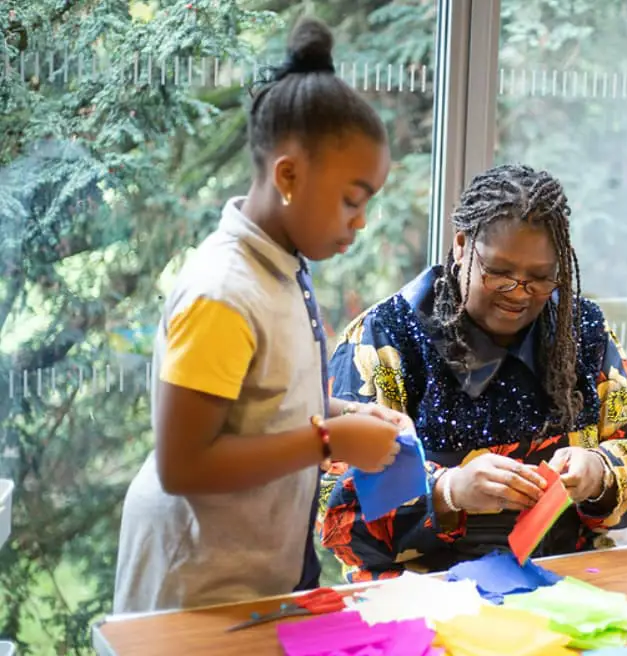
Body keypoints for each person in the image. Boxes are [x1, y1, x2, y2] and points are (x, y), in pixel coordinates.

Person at [113, 17, 411, 613]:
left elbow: (260, 408)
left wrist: (345, 414)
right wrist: (328, 439)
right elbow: (184, 462)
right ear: (289, 176)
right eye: (352, 200)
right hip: (190, 589)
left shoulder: (282, 269)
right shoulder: (222, 293)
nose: (361, 222)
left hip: (249, 580)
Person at [318, 164, 627, 582]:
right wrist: (448, 492)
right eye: (499, 272)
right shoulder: (383, 340)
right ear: (461, 245)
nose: (518, 293)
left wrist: (598, 471)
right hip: (427, 597)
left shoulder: (581, 330)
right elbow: (337, 512)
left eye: (540, 278)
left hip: (565, 585)